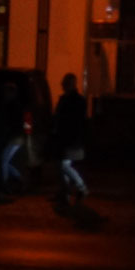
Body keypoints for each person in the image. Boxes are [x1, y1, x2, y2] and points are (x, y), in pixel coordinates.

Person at [53, 72, 90, 205]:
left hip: (68, 138)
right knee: (64, 165)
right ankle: (67, 192)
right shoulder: (78, 100)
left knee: (64, 165)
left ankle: (79, 188)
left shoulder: (69, 100)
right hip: (72, 138)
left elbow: (62, 119)